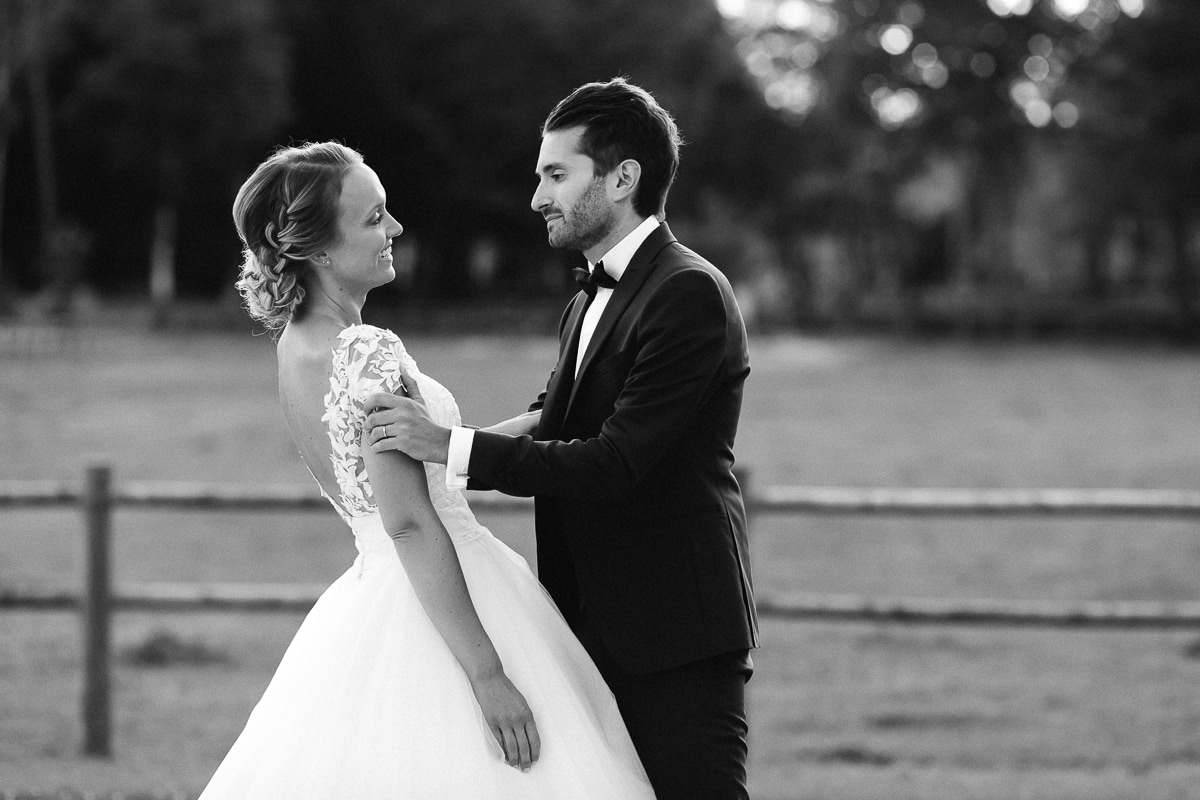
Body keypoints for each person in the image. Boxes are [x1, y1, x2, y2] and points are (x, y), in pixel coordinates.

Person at [198, 141, 655, 799]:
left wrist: (555, 413)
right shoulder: (367, 351)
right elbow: (410, 521)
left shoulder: (298, 346)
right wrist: (487, 675)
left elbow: (426, 469)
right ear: (319, 249)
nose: (396, 230)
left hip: (373, 590)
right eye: (374, 218)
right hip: (442, 591)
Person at [365, 78, 759, 800]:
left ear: (621, 179)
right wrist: (438, 449)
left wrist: (447, 448)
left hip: (672, 632)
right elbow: (557, 415)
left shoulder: (689, 293)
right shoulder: (587, 297)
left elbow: (614, 461)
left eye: (555, 174)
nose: (537, 197)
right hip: (582, 619)